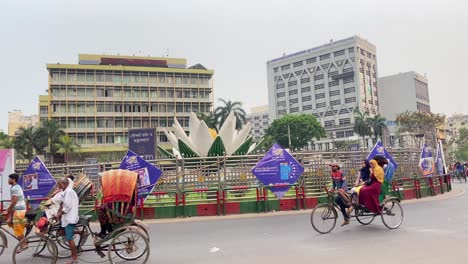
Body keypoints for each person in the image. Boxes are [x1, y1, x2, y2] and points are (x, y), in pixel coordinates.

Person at [54, 177, 79, 264]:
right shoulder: (66, 192)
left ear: (65, 184)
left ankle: (74, 258)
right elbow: (63, 204)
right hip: (68, 217)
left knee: (69, 238)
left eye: (60, 184)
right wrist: (59, 214)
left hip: (70, 218)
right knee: (66, 234)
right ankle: (74, 255)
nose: (59, 186)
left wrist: (59, 214)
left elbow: (67, 206)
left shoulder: (68, 192)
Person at [1, 173, 27, 253]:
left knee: (17, 228)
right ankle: (22, 240)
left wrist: (7, 210)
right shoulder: (17, 187)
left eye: (9, 179)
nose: (8, 180)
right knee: (10, 222)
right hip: (19, 209)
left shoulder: (14, 188)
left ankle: (24, 244)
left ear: (13, 179)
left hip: (19, 211)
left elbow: (14, 201)